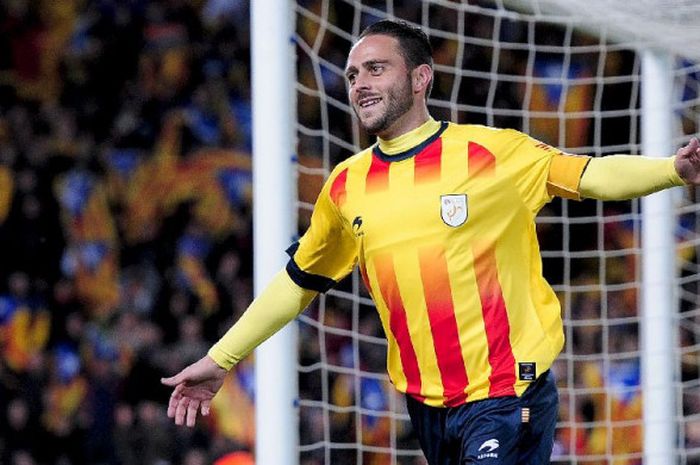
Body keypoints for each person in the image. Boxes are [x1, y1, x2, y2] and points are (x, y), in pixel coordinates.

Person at [162, 19, 700, 464]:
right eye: (352, 75)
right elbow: (298, 283)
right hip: (426, 404)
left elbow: (591, 175)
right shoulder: (345, 186)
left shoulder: (489, 153)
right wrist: (222, 358)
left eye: (376, 69)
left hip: (506, 392)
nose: (360, 84)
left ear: (421, 78)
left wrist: (673, 168)